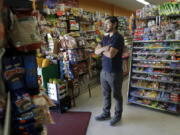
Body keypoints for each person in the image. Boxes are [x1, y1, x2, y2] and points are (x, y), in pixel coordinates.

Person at [95, 16, 124, 126]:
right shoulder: (105, 38)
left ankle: (117, 116)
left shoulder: (118, 38)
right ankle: (106, 113)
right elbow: (96, 51)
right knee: (106, 94)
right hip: (104, 71)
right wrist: (103, 49)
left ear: (115, 24)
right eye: (105, 24)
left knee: (117, 96)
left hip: (114, 72)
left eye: (108, 24)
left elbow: (111, 54)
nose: (105, 26)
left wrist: (102, 50)